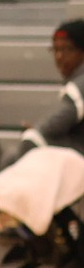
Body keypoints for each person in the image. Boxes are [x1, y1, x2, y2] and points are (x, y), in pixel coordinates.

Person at [7, 19, 84, 162]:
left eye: (66, 49)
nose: (59, 56)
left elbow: (49, 129)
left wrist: (35, 133)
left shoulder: (80, 86)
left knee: (28, 144)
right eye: (55, 49)